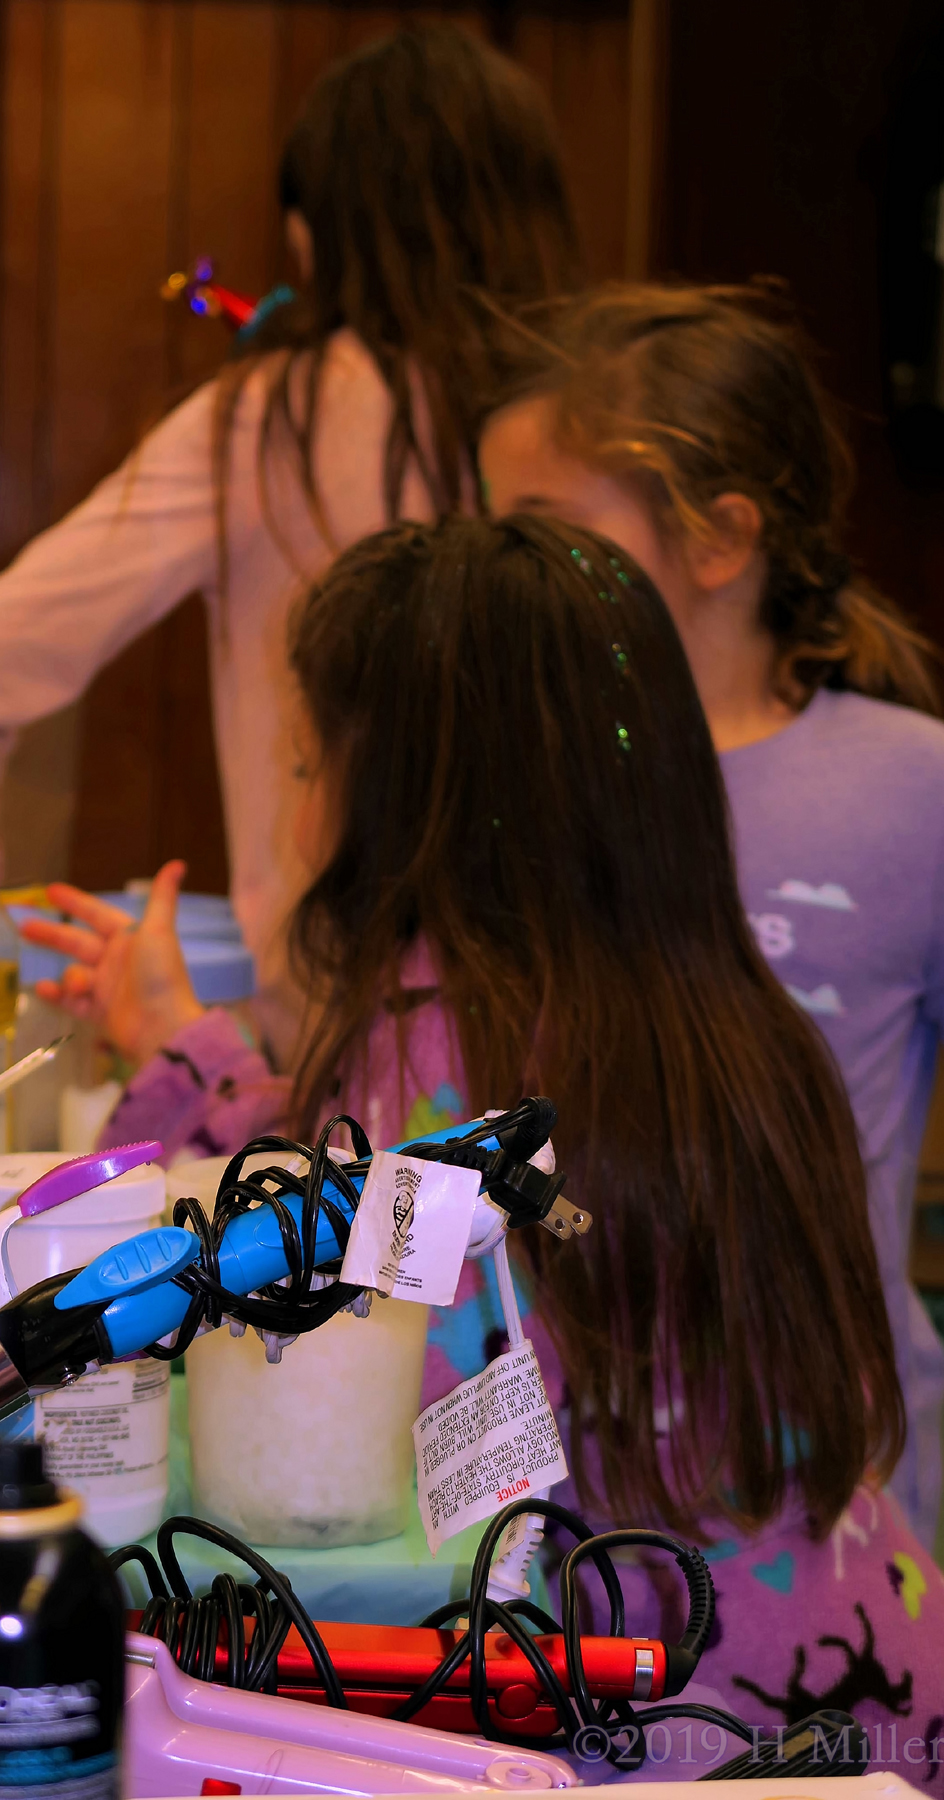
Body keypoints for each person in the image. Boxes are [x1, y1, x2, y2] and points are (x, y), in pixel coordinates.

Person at [22, 515, 943, 1776]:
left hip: (662, 1724)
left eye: (305, 770)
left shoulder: (433, 1046)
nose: (297, 803)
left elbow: (388, 1427)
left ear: (397, 804)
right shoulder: (729, 1020)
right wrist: (191, 1052)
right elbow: (379, 1205)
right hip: (869, 1652)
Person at [0, 22, 576, 1058]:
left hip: (343, 1043)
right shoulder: (593, 420)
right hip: (582, 1028)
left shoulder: (283, 416)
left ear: (317, 235)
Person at [478, 281, 944, 1556]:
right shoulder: (512, 790)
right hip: (550, 1498)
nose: (499, 577)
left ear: (717, 539)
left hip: (835, 1504)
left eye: (546, 532)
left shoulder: (914, 788)